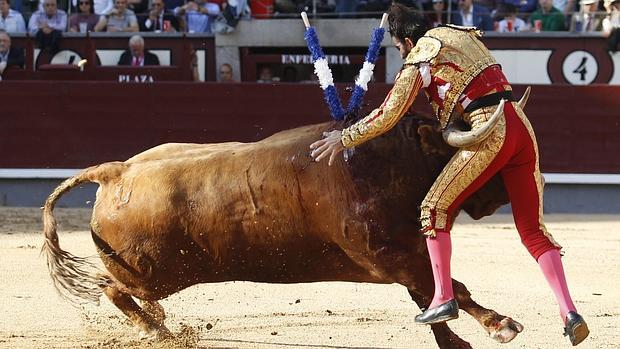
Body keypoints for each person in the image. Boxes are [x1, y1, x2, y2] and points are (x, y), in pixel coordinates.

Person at [309, 3, 589, 346]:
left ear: (407, 41)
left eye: (398, 47)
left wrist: (345, 137)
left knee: (433, 210)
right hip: (521, 126)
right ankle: (569, 312)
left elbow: (389, 113)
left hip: (487, 132)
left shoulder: (419, 56)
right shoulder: (461, 34)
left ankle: (443, 298)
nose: (400, 53)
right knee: (533, 230)